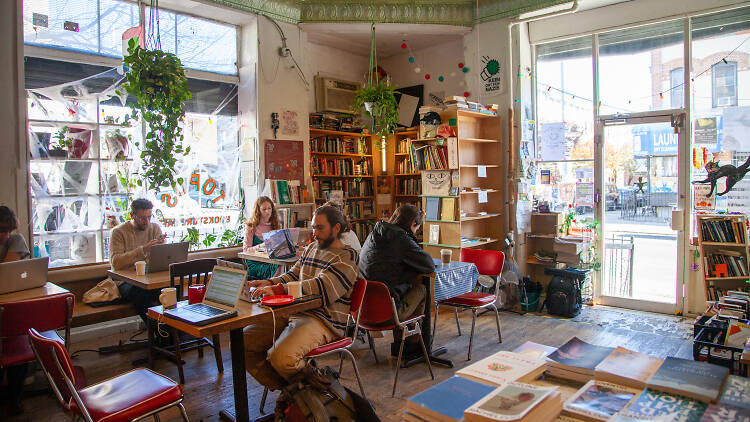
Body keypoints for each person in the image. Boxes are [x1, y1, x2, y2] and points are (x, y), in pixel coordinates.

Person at [243, 205, 359, 393]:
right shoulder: (312, 247)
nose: (314, 233)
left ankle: (304, 391)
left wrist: (279, 289)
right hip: (295, 311)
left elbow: (322, 288)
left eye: (320, 228)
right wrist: (268, 282)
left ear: (336, 228)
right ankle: (294, 391)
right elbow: (293, 274)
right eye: (313, 227)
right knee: (243, 343)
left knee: (281, 358)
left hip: (325, 320)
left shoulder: (348, 257)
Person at [358, 204, 435, 356]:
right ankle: (411, 345)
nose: (416, 232)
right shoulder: (400, 238)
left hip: (362, 312)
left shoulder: (374, 234)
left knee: (398, 289)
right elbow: (429, 265)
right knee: (421, 289)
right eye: (417, 229)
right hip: (387, 313)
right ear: (413, 224)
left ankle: (401, 344)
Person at [109, 198, 164, 322]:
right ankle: (159, 332)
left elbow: (162, 258)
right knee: (140, 293)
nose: (146, 222)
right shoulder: (118, 232)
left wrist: (162, 249)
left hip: (149, 279)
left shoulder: (154, 228)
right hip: (124, 282)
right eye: (142, 218)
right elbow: (115, 262)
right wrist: (143, 249)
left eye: (149, 217)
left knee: (172, 288)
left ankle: (174, 330)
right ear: (132, 215)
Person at [0, 206, 30, 415]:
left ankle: (14, 397)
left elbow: (7, 272)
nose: (5, 235)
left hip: (10, 303)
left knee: (19, 334)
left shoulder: (15, 240)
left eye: (8, 230)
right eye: (2, 230)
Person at [243, 196, 282, 279]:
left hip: (270, 260)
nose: (267, 211)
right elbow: (246, 250)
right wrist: (261, 245)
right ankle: (271, 285)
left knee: (279, 263)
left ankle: (273, 286)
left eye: (269, 208)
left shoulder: (275, 225)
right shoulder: (251, 226)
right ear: (258, 211)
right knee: (277, 265)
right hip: (255, 261)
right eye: (264, 209)